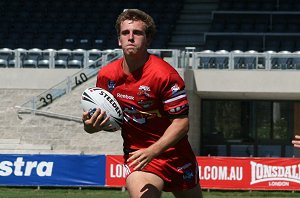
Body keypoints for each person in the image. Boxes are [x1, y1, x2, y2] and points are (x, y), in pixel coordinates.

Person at [82, 9, 203, 198]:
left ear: (148, 40)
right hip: (139, 158)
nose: (131, 37)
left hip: (176, 155)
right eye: (125, 33)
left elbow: (181, 123)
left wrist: (153, 150)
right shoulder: (107, 76)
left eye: (137, 33)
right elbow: (111, 121)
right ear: (119, 40)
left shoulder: (165, 75)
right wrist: (91, 127)